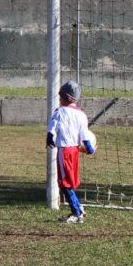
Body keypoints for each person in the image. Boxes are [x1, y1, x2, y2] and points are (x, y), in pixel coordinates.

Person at [47, 80, 95, 223]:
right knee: (71, 181)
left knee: (64, 183)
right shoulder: (81, 114)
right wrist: (89, 148)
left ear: (64, 98)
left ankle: (76, 213)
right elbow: (84, 134)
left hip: (64, 151)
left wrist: (49, 137)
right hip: (75, 150)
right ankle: (78, 208)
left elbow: (52, 128)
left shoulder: (59, 112)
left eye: (60, 97)